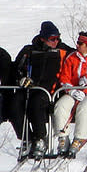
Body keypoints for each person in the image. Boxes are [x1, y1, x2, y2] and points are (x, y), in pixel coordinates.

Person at [12, 22, 73, 159]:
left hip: (49, 91)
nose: (56, 41)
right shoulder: (29, 51)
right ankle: (27, 138)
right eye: (52, 39)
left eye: (58, 38)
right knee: (14, 104)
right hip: (29, 88)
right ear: (42, 38)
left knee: (36, 103)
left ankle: (40, 139)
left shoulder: (62, 51)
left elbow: (82, 57)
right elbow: (16, 68)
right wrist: (21, 78)